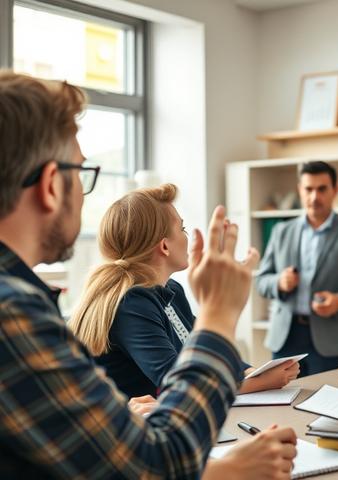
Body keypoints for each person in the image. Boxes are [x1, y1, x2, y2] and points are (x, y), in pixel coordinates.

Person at [0, 70, 296, 479]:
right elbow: (163, 465)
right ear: (52, 184)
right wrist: (220, 313)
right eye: (81, 174)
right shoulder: (14, 313)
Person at [69, 183, 300, 399]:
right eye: (182, 228)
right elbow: (178, 382)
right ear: (165, 246)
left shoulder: (171, 291)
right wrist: (261, 383)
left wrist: (254, 371)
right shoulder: (132, 303)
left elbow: (200, 346)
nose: (187, 236)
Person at [256, 161, 338, 376]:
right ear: (300, 190)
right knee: (284, 404)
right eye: (308, 189)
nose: (314, 197)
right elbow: (262, 280)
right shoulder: (281, 231)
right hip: (285, 336)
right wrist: (279, 283)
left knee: (327, 401)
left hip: (329, 339)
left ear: (335, 190)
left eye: (322, 189)